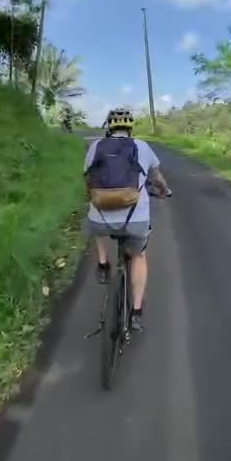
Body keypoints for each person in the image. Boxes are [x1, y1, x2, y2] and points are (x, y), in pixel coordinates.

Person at [84, 108, 170, 332]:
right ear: (130, 128)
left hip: (100, 218)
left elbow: (88, 178)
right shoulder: (142, 146)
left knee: (95, 223)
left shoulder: (95, 146)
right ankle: (136, 313)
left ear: (109, 127)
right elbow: (156, 177)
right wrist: (164, 190)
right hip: (135, 219)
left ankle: (103, 263)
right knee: (139, 256)